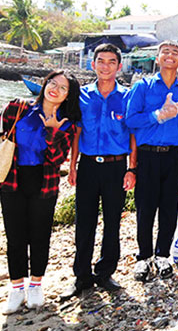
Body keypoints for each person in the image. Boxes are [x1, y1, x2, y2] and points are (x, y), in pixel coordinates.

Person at [61, 44, 137, 300]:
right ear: (93, 64)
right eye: (101, 61)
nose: (106, 66)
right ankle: (81, 276)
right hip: (89, 166)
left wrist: (132, 168)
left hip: (117, 167)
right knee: (85, 222)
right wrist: (72, 165)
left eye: (111, 61)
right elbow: (77, 132)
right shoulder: (80, 96)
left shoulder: (127, 97)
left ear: (119, 66)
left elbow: (134, 134)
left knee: (113, 221)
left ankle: (105, 272)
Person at [1, 71, 80, 313]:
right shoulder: (17, 107)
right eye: (52, 83)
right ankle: (16, 289)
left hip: (44, 182)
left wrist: (52, 131)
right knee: (14, 237)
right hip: (12, 180)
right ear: (45, 84)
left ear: (68, 96)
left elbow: (58, 159)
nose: (55, 89)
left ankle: (36, 285)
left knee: (40, 235)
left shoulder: (66, 124)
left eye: (63, 88)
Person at [125, 41, 178, 281]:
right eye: (165, 52)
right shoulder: (142, 88)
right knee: (145, 208)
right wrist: (157, 115)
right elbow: (130, 120)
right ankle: (144, 258)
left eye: (175, 53)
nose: (169, 55)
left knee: (170, 209)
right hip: (147, 155)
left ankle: (163, 255)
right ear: (158, 58)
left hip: (173, 157)